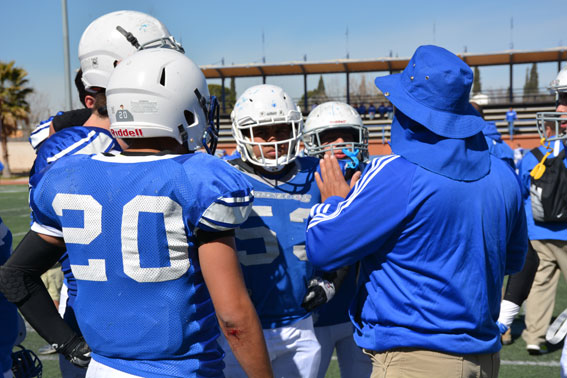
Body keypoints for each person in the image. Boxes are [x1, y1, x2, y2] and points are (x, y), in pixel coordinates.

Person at [0, 49, 272, 378]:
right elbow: (233, 318)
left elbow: (15, 274)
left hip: (103, 368)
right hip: (180, 369)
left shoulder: (69, 175)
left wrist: (71, 344)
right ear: (183, 109)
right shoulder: (195, 178)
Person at [305, 45, 527, 378]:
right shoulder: (502, 174)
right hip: (484, 358)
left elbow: (324, 247)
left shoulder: (396, 173)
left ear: (407, 109)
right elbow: (513, 259)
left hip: (416, 359)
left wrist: (333, 201)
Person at [222, 83, 331, 378]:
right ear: (242, 134)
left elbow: (348, 231)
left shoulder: (318, 171)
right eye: (261, 131)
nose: (273, 139)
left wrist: (332, 278)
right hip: (239, 326)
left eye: (282, 129)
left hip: (299, 322)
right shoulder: (221, 176)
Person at [302, 101, 372, 378]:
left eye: (348, 135)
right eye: (330, 137)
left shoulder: (372, 179)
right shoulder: (300, 182)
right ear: (312, 141)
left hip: (361, 314)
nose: (341, 143)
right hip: (309, 315)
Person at [471, 101, 539, 345]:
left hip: (480, 213)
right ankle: (505, 330)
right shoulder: (504, 147)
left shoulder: (473, 143)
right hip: (505, 213)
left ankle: (495, 327)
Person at [520, 68, 567, 356]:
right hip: (553, 230)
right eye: (560, 99)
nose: (560, 107)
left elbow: (523, 191)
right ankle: (535, 335)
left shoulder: (534, 154)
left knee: (540, 285)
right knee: (540, 284)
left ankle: (533, 335)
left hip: (537, 229)